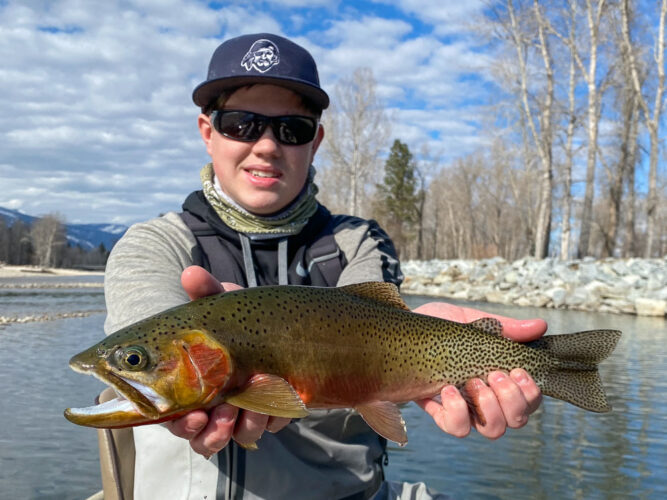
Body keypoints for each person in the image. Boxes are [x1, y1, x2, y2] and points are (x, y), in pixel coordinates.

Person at [103, 33, 546, 500]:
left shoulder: (356, 243)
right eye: (241, 124)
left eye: (290, 129)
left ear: (315, 141)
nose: (267, 146)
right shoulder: (154, 244)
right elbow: (146, 339)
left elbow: (388, 335)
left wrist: (458, 350)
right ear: (207, 132)